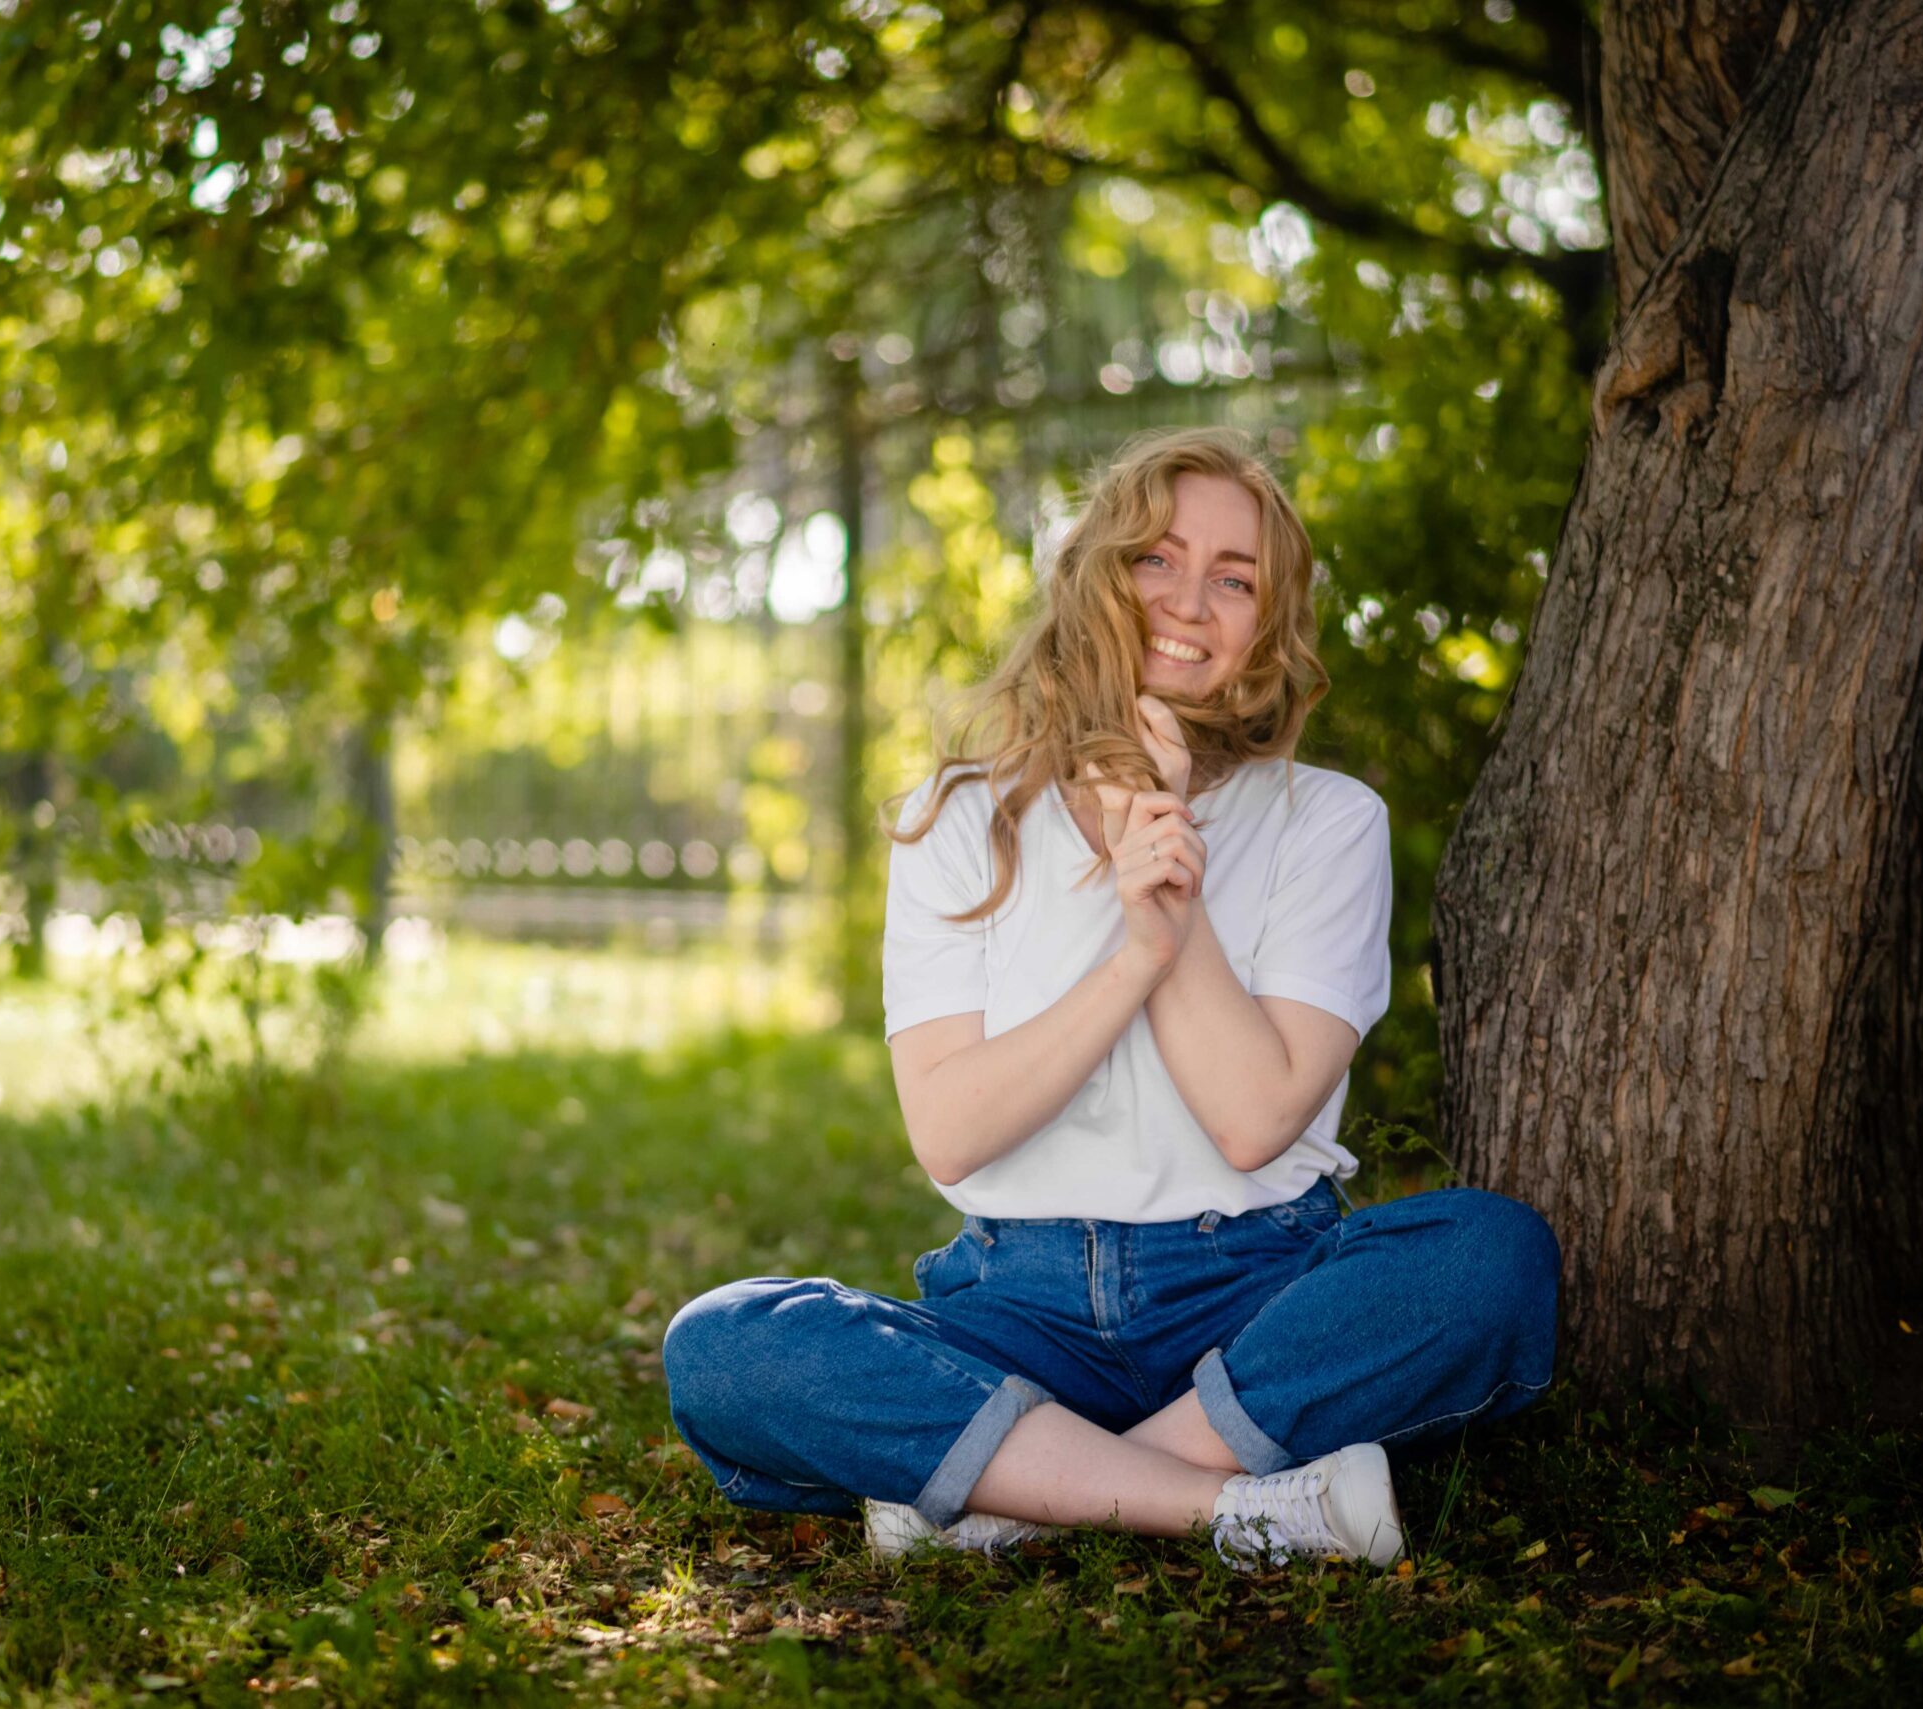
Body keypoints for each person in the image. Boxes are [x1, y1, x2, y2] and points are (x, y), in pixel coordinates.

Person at [661, 425, 1560, 1569]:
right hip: (1016, 1308)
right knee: (727, 1344)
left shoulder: (1327, 821)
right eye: (1155, 559)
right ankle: (1234, 1505)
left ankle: (1024, 1489)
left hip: (1250, 1291)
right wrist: (1134, 955)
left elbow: (1253, 1117)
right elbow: (951, 1129)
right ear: (1097, 577)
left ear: (1267, 625)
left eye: (1234, 579)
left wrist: (1167, 872)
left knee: (1489, 1259)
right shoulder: (958, 817)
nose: (1188, 600)